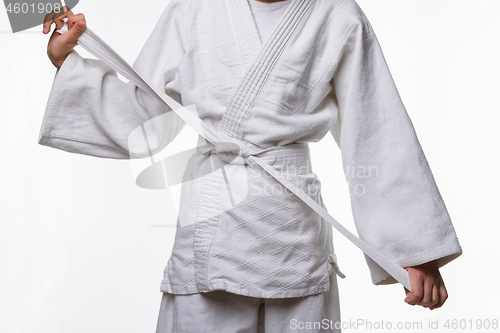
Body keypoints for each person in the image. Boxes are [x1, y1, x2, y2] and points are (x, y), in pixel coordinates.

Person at [41, 0, 462, 332]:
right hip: (212, 229)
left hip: (293, 233)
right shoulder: (194, 9)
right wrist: (69, 62)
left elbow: (375, 131)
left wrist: (413, 250)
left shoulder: (337, 14)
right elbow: (142, 114)